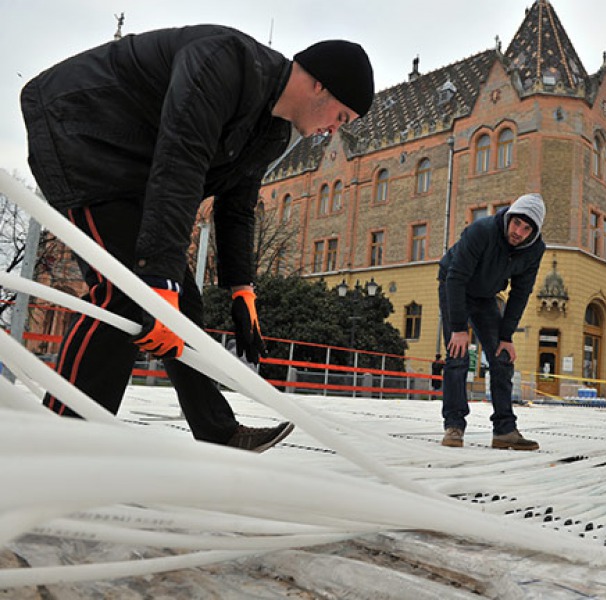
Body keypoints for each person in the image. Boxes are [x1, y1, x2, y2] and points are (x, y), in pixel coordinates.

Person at [20, 26, 374, 452]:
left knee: (179, 302)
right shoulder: (225, 62)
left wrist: (243, 289)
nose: (333, 131)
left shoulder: (274, 131)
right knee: (127, 292)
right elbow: (180, 160)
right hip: (81, 133)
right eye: (341, 117)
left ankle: (217, 430)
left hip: (137, 169)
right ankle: (61, 441)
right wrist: (159, 280)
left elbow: (237, 206)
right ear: (320, 84)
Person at [438, 193, 546, 450]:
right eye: (516, 223)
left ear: (533, 232)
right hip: (455, 285)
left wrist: (506, 336)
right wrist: (458, 329)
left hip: (486, 295)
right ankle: (454, 426)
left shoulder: (534, 251)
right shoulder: (481, 231)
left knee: (501, 357)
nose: (518, 231)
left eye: (526, 228)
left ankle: (504, 430)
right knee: (458, 354)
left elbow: (520, 293)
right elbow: (456, 277)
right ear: (509, 218)